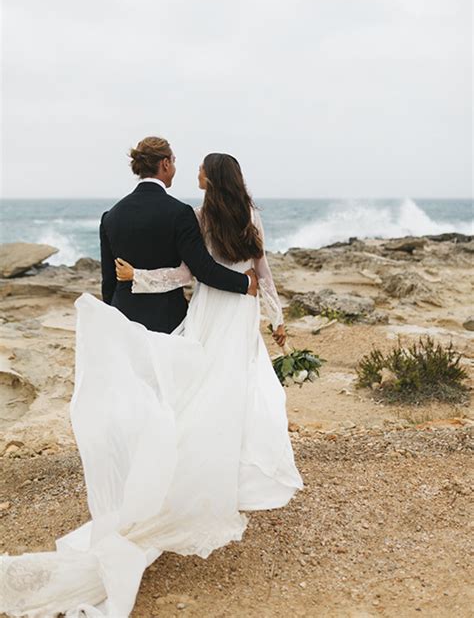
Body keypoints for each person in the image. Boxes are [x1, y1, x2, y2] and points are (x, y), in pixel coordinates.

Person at [0, 149, 302, 618]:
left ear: (210, 176)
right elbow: (255, 273)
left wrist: (131, 283)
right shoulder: (211, 215)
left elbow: (191, 273)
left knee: (208, 389)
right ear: (164, 166)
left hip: (212, 309)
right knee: (229, 388)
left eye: (200, 166)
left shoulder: (178, 215)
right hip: (232, 309)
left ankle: (196, 469)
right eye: (182, 162)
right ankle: (229, 474)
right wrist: (269, 310)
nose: (190, 170)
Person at [100, 136, 258, 333]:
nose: (174, 167)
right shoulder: (179, 213)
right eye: (173, 161)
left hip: (121, 318)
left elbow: (108, 281)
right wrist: (246, 283)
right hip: (166, 320)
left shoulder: (111, 216)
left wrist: (110, 319)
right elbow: (202, 269)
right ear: (165, 164)